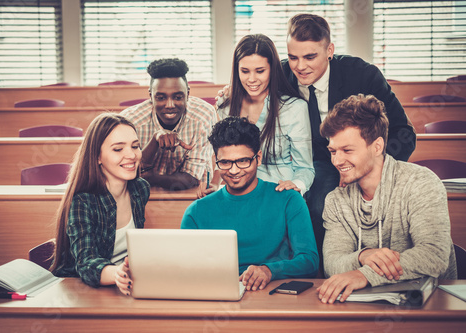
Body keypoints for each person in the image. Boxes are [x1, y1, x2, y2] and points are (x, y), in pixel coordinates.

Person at [282, 13, 417, 266]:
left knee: (321, 202)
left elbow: (403, 132)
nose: (300, 66)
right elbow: (249, 84)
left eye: (310, 56)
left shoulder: (362, 75)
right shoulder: (280, 76)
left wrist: (373, 169)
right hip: (306, 162)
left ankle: (325, 273)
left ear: (329, 50)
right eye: (293, 57)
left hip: (355, 160)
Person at [316, 94, 457, 304]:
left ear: (377, 146)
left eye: (347, 150)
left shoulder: (420, 182)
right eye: (333, 151)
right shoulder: (336, 200)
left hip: (432, 303)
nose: (337, 160)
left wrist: (364, 274)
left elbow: (433, 255)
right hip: (367, 306)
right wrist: (363, 256)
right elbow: (332, 262)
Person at [181, 117, 318, 291]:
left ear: (258, 158)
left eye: (243, 161)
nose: (234, 170)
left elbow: (309, 261)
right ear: (216, 160)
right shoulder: (197, 212)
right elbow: (186, 268)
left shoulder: (289, 200)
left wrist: (270, 270)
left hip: (272, 295)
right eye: (225, 162)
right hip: (217, 295)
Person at [51, 113, 150, 296]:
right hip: (81, 289)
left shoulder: (140, 189)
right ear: (97, 156)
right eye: (118, 149)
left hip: (124, 285)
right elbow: (86, 262)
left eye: (135, 146)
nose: (131, 155)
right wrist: (118, 273)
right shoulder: (82, 201)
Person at [212, 34, 314, 197]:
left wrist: (296, 186)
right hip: (238, 191)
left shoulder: (295, 108)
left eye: (260, 71)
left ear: (272, 70)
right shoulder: (225, 106)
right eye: (245, 71)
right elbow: (221, 158)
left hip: (279, 191)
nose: (252, 79)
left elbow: (305, 167)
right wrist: (214, 183)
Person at [121, 58, 217, 191]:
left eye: (178, 97)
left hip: (191, 195)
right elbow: (125, 173)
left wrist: (150, 177)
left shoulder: (203, 115)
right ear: (151, 96)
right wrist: (155, 140)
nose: (170, 105)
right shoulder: (129, 120)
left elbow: (192, 177)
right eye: (161, 98)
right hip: (139, 195)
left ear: (188, 94)